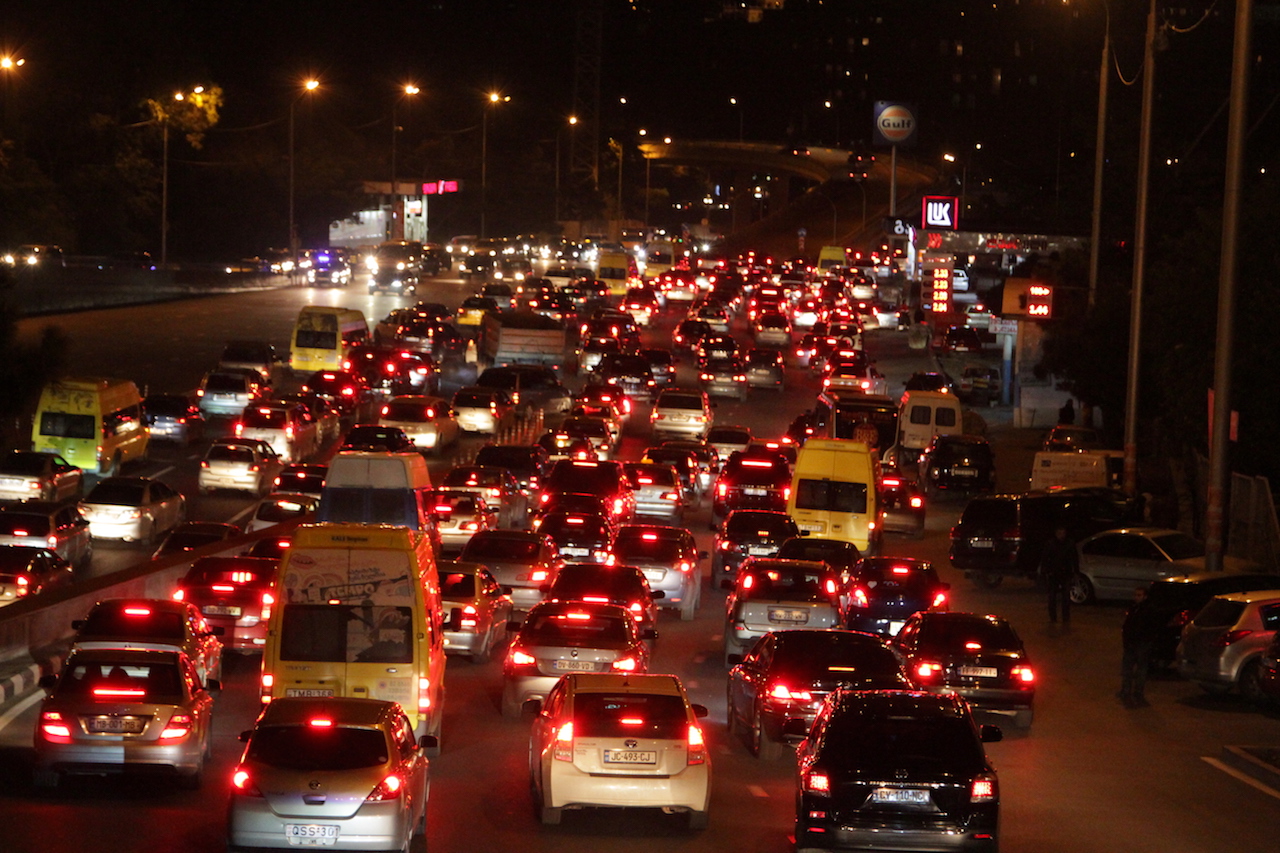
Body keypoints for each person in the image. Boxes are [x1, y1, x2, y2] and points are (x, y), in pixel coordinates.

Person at [1120, 587, 1164, 707]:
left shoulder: (1148, 610)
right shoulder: (1135, 608)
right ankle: (1126, 690)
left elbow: (1151, 628)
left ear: (1145, 596)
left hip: (1141, 644)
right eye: (1136, 595)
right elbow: (1128, 625)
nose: (1136, 597)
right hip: (1131, 643)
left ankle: (1137, 692)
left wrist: (1146, 641)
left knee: (1140, 669)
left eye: (1139, 595)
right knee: (1127, 668)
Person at [1040, 525, 1077, 625]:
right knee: (1052, 597)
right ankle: (1053, 617)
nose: (1061, 535)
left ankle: (1065, 617)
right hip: (1054, 573)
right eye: (1059, 533)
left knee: (1065, 596)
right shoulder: (1051, 544)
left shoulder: (1069, 544)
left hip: (1066, 573)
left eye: (1063, 533)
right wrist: (1046, 571)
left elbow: (1074, 559)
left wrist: (1075, 572)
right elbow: (1045, 558)